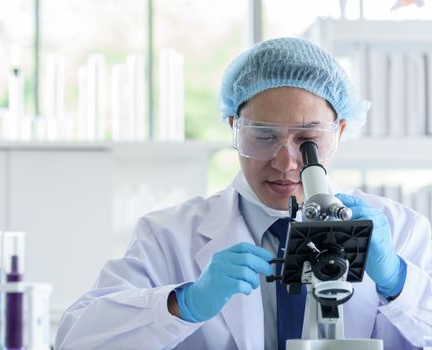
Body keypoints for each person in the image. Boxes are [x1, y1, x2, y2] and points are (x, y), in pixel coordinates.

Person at [55, 38, 432, 350]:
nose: (285, 163)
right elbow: (75, 338)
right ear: (235, 128)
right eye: (264, 136)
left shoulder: (401, 230)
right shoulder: (170, 236)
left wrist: (399, 281)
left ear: (340, 132)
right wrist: (182, 304)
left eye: (308, 141)